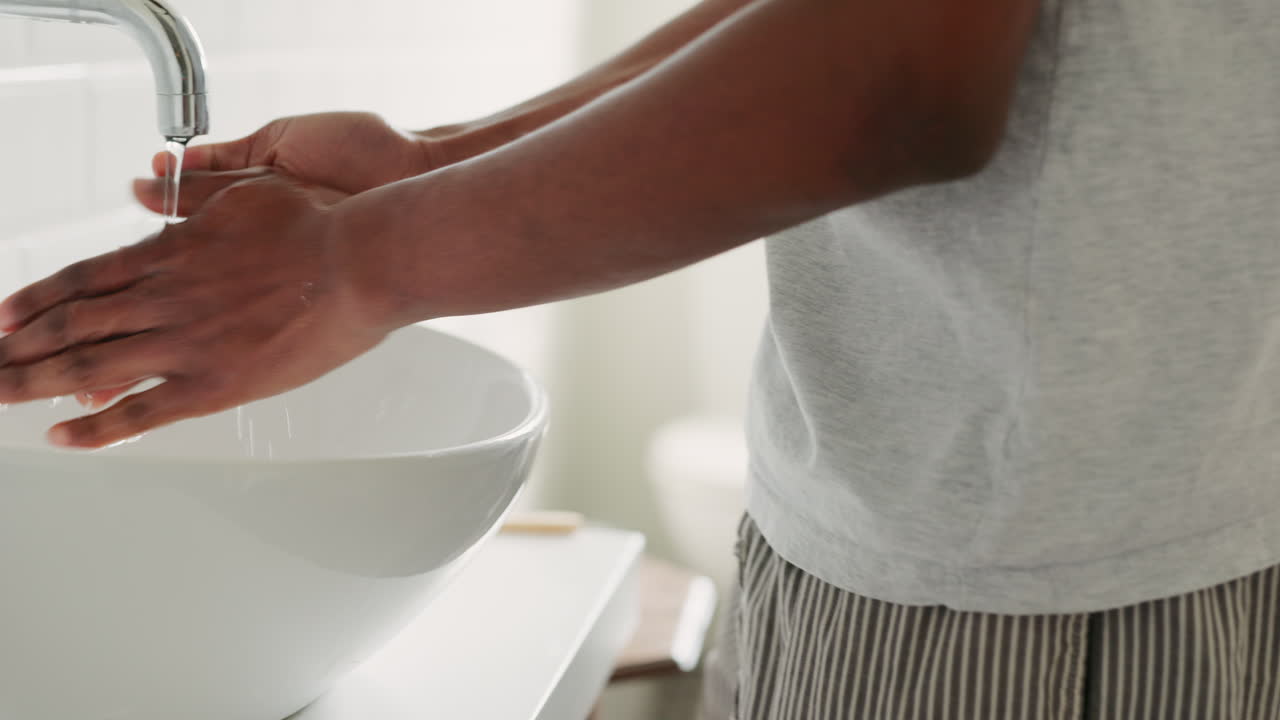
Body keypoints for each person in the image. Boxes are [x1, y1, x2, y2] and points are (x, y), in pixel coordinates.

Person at [0, 0, 1277, 716]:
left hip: (1035, 589)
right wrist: (436, 165)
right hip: (909, 519)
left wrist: (354, 265)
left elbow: (897, 76)